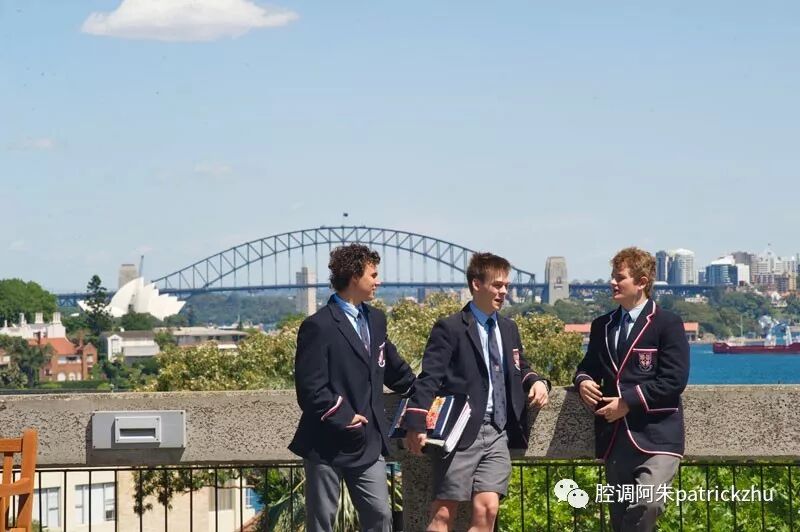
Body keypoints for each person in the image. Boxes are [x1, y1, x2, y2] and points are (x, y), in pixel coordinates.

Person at [403, 252, 551, 532]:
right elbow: (430, 377)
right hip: (460, 432)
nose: (504, 292)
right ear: (476, 284)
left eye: (506, 285)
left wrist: (537, 381)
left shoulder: (508, 328)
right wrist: (416, 421)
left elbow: (520, 366)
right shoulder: (450, 328)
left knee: (488, 509)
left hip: (498, 432)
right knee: (443, 513)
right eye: (497, 285)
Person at [289, 244, 416, 532]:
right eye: (373, 275)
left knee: (380, 516)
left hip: (368, 442)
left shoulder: (376, 319)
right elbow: (310, 388)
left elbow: (393, 369)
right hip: (325, 442)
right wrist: (344, 416)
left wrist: (425, 392)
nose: (378, 281)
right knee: (322, 522)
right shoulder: (318, 325)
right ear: (354, 276)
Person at [574, 247, 690, 531]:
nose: (612, 282)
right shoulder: (602, 325)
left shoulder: (668, 323)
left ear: (641, 282)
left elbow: (674, 380)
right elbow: (588, 366)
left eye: (620, 277)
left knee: (648, 504)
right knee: (620, 519)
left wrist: (627, 402)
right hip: (615, 439)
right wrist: (583, 381)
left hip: (658, 437)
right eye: (613, 276)